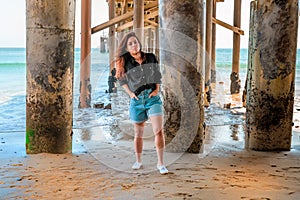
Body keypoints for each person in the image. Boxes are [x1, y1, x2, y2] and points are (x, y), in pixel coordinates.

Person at [115, 32, 168, 174]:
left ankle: (161, 164)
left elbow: (157, 74)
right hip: (137, 100)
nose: (134, 45)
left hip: (152, 98)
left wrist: (157, 89)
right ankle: (138, 161)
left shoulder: (150, 57)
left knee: (158, 130)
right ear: (127, 47)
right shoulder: (124, 61)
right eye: (130, 43)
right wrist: (131, 94)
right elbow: (121, 80)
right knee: (138, 134)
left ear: (139, 43)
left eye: (135, 42)